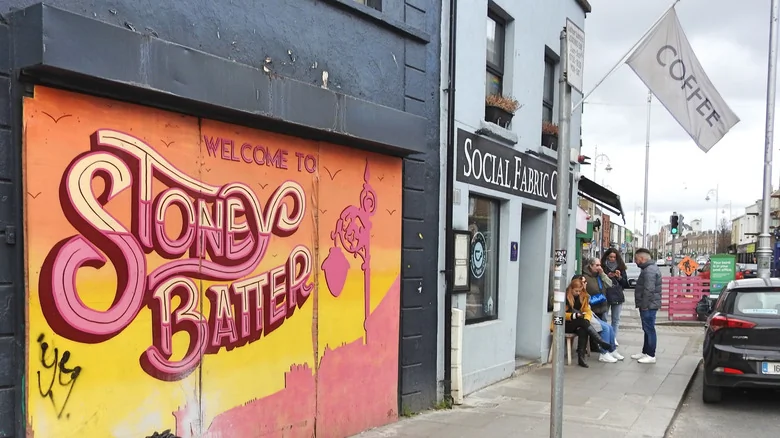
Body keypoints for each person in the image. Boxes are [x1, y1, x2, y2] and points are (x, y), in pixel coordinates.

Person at [553, 276, 612, 368]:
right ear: (571, 289)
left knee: (583, 330)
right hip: (563, 323)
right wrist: (574, 316)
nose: (578, 293)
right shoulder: (564, 296)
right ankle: (599, 341)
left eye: (580, 291)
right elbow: (560, 314)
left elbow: (587, 311)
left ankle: (581, 358)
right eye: (576, 291)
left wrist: (586, 319)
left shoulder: (584, 296)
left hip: (577, 322)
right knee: (581, 322)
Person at [572, 275, 624, 363]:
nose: (586, 284)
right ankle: (604, 353)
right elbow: (580, 310)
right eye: (584, 282)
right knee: (605, 329)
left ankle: (612, 350)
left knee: (609, 327)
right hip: (582, 318)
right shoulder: (577, 294)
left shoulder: (584, 293)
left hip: (588, 316)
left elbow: (587, 309)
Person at [633, 248, 663, 364]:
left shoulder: (649, 270)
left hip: (649, 305)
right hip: (649, 304)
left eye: (636, 259)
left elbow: (649, 289)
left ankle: (651, 355)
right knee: (647, 329)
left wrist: (644, 305)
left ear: (642, 258)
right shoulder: (648, 268)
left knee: (649, 329)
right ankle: (645, 352)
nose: (635, 262)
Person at [601, 249, 629, 344]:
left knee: (616, 319)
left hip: (617, 295)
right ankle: (604, 337)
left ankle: (613, 337)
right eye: (610, 257)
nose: (612, 259)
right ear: (607, 257)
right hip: (605, 294)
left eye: (614, 257)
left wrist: (619, 277)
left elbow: (625, 283)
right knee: (604, 318)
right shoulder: (602, 266)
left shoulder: (621, 267)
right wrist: (606, 276)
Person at [583, 257, 612, 321]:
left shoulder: (600, 276)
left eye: (600, 265)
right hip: (592, 308)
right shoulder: (585, 277)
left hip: (602, 307)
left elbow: (609, 284)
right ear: (591, 266)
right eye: (597, 265)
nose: (599, 267)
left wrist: (602, 274)